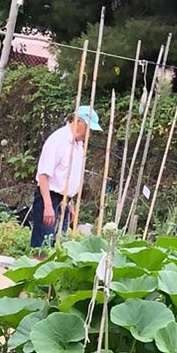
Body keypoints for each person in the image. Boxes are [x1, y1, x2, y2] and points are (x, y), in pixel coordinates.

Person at [30, 106, 102, 250]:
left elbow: (68, 179)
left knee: (58, 245)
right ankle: (35, 271)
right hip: (49, 198)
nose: (89, 135)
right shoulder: (59, 140)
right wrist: (48, 206)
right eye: (88, 129)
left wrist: (71, 205)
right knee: (43, 245)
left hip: (64, 201)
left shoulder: (78, 145)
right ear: (78, 122)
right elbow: (43, 175)